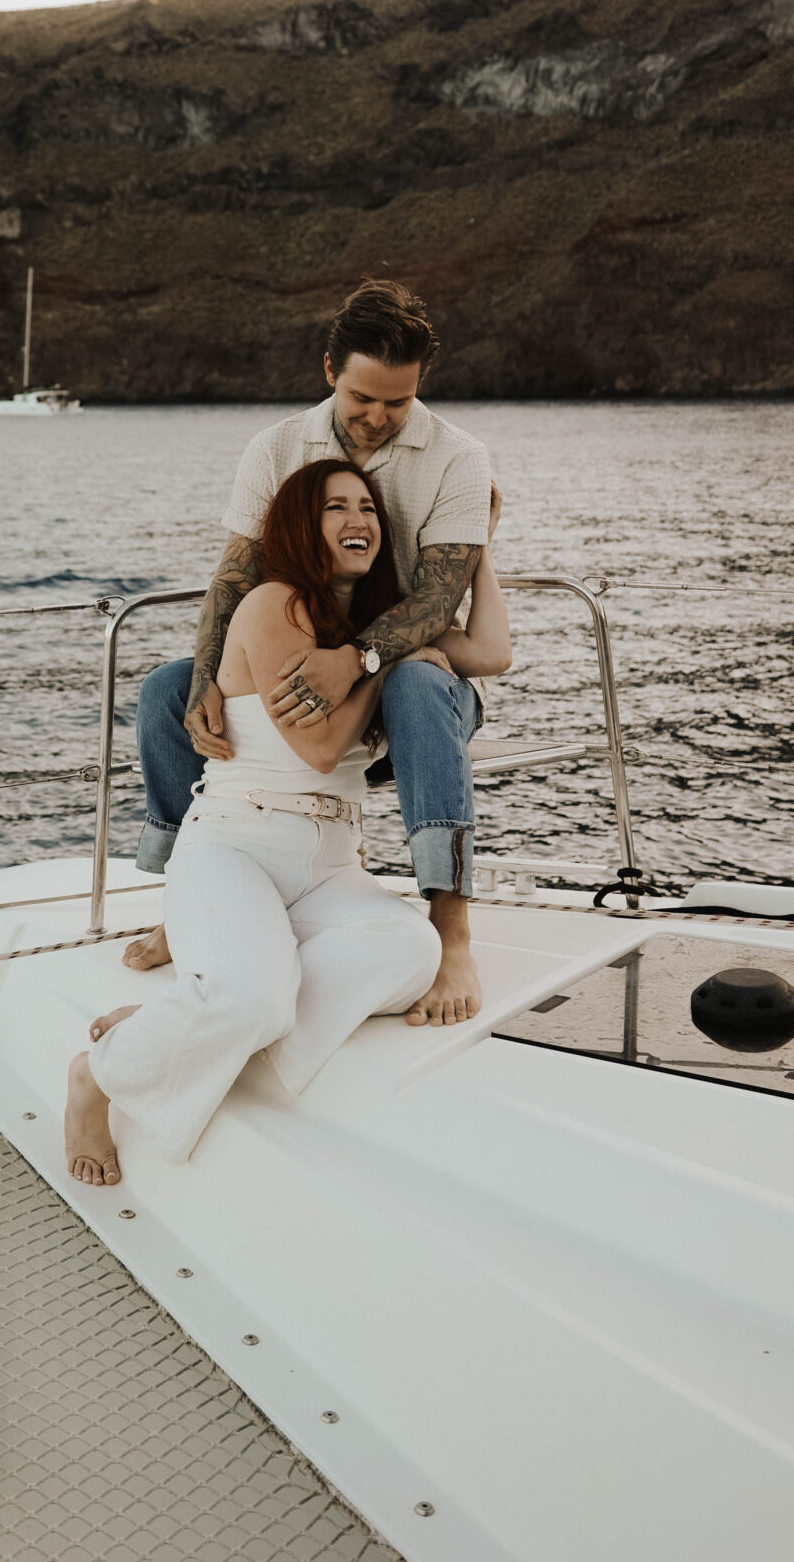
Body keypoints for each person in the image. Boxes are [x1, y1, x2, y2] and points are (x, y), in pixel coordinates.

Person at [65, 457, 510, 1185]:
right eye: (336, 508)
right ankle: (98, 1076)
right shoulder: (275, 604)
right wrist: (386, 665)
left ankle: (176, 1025)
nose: (358, 521)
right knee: (253, 998)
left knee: (411, 953)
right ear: (303, 526)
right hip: (237, 842)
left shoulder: (375, 623)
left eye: (367, 508)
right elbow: (319, 748)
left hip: (329, 864)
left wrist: (478, 544)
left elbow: (492, 652)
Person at [127, 279, 502, 1026]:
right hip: (309, 660)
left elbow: (435, 603)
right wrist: (206, 676)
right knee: (164, 692)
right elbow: (234, 574)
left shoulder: (457, 458)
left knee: (418, 690)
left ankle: (450, 923)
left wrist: (360, 659)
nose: (378, 417)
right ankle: (186, 901)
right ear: (329, 369)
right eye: (364, 396)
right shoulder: (276, 448)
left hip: (410, 688)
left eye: (397, 401)